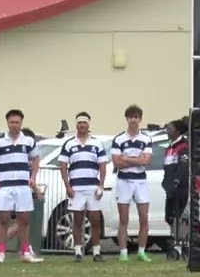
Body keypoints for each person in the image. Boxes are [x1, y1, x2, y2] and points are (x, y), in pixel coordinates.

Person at [0, 109, 43, 263]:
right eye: (12, 122)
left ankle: (25, 252)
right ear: (7, 123)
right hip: (5, 186)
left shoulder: (28, 141)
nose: (14, 125)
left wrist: (33, 178)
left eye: (17, 122)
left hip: (22, 186)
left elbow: (35, 159)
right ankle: (1, 252)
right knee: (3, 219)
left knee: (24, 219)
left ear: (21, 123)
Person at [57, 112, 108, 262]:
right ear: (76, 125)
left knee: (95, 219)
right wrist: (67, 186)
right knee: (77, 220)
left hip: (92, 187)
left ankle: (96, 252)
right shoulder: (69, 144)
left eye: (84, 123)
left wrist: (101, 185)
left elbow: (103, 166)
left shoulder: (96, 144)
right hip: (76, 188)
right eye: (79, 123)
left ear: (89, 125)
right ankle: (78, 252)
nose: (82, 126)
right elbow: (63, 166)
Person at [111, 104, 153, 262]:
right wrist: (137, 160)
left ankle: (142, 252)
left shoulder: (146, 139)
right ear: (127, 119)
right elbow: (116, 163)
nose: (133, 120)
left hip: (140, 181)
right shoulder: (119, 139)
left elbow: (146, 161)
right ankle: (123, 253)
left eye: (136, 117)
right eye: (130, 117)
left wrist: (126, 158)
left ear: (140, 119)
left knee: (144, 218)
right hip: (124, 181)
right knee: (123, 219)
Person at [162, 117, 189, 259]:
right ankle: (176, 242)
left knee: (179, 216)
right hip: (170, 188)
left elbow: (183, 168)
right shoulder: (168, 148)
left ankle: (180, 246)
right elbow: (167, 169)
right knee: (170, 217)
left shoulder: (184, 146)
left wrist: (177, 182)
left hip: (181, 188)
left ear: (177, 131)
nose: (167, 130)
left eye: (170, 128)